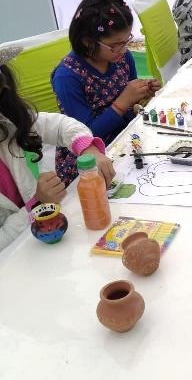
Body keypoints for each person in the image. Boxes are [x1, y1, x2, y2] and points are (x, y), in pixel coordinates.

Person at [0, 47, 114, 248]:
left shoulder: (10, 123)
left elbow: (61, 126)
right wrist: (37, 204)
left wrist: (87, 148)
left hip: (46, 237)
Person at [51, 0, 160, 185]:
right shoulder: (67, 77)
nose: (124, 49)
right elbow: (84, 136)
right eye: (116, 45)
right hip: (89, 160)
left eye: (127, 41)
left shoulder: (122, 57)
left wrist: (142, 93)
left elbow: (130, 100)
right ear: (88, 42)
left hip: (125, 140)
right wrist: (123, 101)